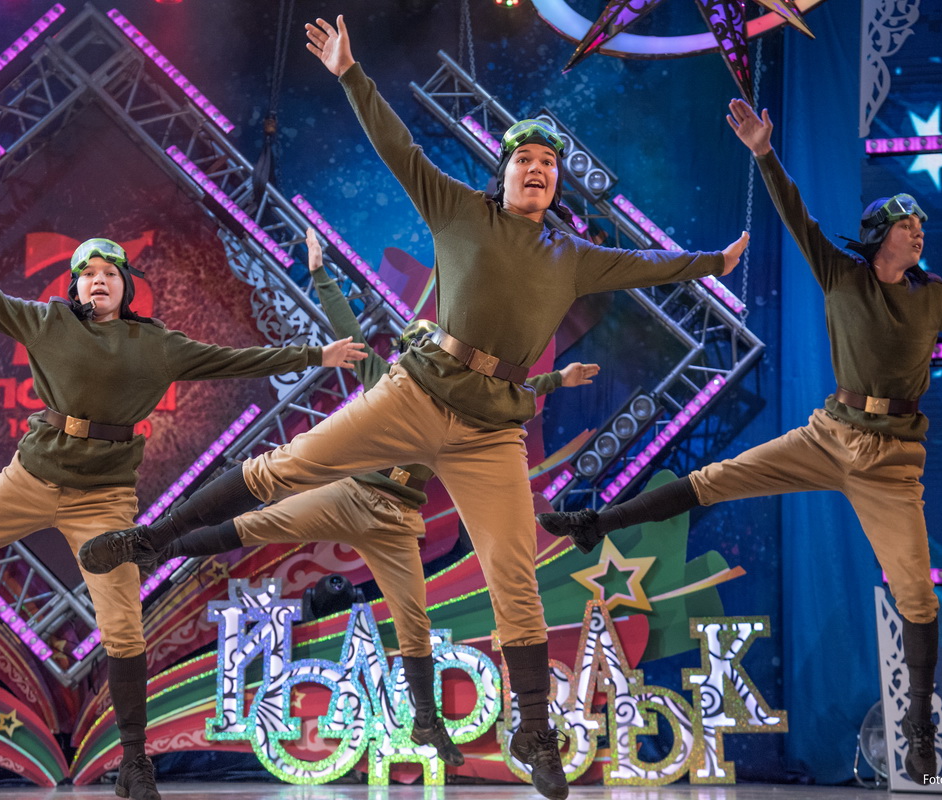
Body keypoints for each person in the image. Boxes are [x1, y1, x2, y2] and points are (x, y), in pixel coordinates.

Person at [78, 17, 747, 799]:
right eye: (524, 160)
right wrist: (350, 73)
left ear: (557, 184)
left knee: (516, 575)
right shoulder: (461, 211)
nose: (537, 170)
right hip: (418, 392)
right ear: (502, 173)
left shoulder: (573, 257)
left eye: (548, 164)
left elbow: (647, 264)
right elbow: (399, 148)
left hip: (490, 430)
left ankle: (533, 729)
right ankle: (152, 541)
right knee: (284, 468)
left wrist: (715, 261)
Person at [0, 205, 366, 800]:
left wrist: (317, 356)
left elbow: (238, 360)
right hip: (31, 477)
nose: (98, 280)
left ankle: (134, 762)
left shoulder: (156, 345)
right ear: (74, 285)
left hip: (102, 499)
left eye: (109, 273)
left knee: (123, 624)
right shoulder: (47, 321)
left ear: (127, 287)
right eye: (87, 273)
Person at [538, 98, 942, 786]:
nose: (919, 235)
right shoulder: (841, 273)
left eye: (921, 228)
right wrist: (763, 152)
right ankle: (593, 523)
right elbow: (796, 216)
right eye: (909, 226)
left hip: (892, 461)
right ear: (881, 235)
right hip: (830, 434)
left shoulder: (934, 297)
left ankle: (919, 727)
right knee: (716, 478)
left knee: (918, 593)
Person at [157, 227, 601, 767]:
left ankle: (426, 721)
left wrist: (558, 379)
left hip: (396, 522)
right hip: (349, 497)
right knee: (256, 524)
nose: (429, 356)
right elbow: (349, 332)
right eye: (420, 347)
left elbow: (511, 391)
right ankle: (161, 547)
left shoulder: (463, 404)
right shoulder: (387, 383)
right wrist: (320, 272)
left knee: (414, 624)